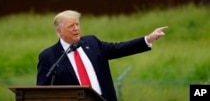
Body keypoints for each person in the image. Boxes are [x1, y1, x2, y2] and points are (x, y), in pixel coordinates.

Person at [36, 10, 168, 101]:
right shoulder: (49, 57)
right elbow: (41, 92)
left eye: (77, 24)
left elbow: (118, 48)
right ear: (59, 31)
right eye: (71, 26)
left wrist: (148, 39)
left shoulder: (92, 42)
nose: (76, 28)